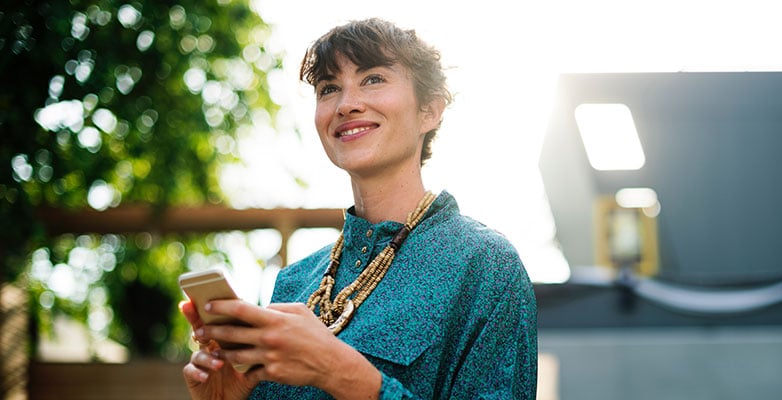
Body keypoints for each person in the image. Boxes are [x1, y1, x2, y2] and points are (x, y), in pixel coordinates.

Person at [180, 17, 538, 399]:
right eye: (328, 88)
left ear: (430, 111)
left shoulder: (485, 265)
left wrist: (343, 373)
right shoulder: (293, 284)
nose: (347, 104)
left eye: (373, 79)